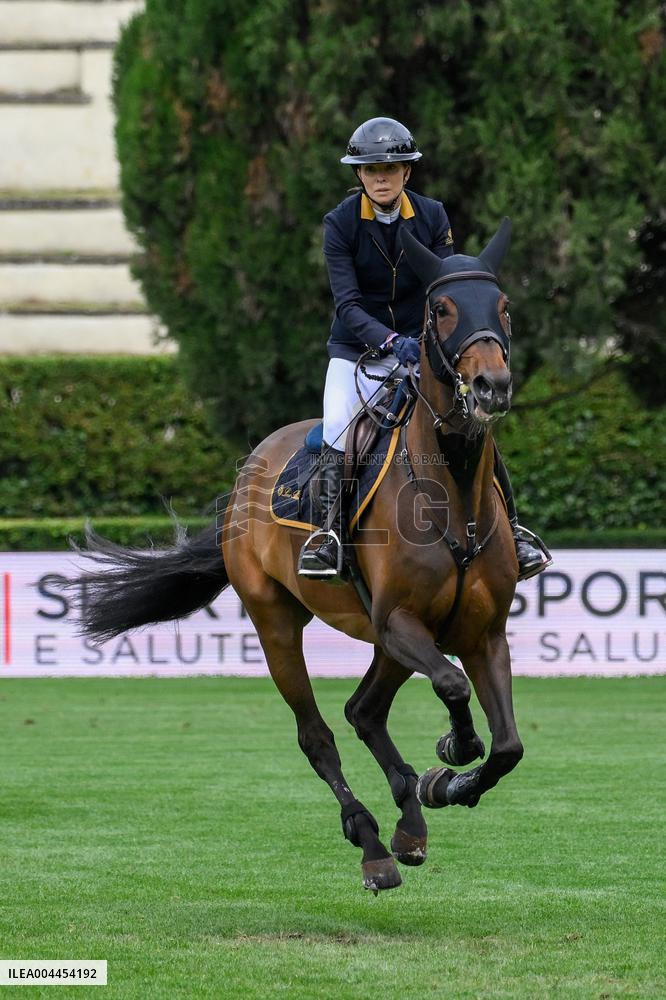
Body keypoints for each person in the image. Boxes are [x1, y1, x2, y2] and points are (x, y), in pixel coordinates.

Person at [298, 116, 547, 583]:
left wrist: (429, 345)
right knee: (337, 428)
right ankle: (327, 537)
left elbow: (444, 288)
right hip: (355, 353)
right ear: (360, 174)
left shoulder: (432, 216)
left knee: (471, 424)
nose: (382, 178)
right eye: (372, 169)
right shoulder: (340, 224)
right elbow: (348, 305)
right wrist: (392, 342)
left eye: (390, 169)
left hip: (423, 351)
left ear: (406, 172)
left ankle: (514, 531)